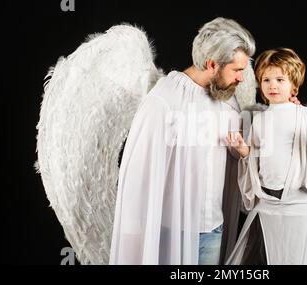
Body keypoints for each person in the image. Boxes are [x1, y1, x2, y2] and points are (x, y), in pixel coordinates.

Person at [109, 17, 255, 265]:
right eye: (237, 70)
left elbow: (241, 144)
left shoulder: (227, 99)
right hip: (172, 233)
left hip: (212, 230)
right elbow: (138, 175)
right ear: (211, 64)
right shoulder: (164, 100)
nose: (242, 78)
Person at [225, 48, 307, 265]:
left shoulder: (306, 116)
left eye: (280, 79)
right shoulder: (260, 120)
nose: (272, 85)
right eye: (266, 79)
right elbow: (256, 158)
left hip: (296, 207)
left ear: (294, 84)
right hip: (266, 206)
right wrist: (244, 150)